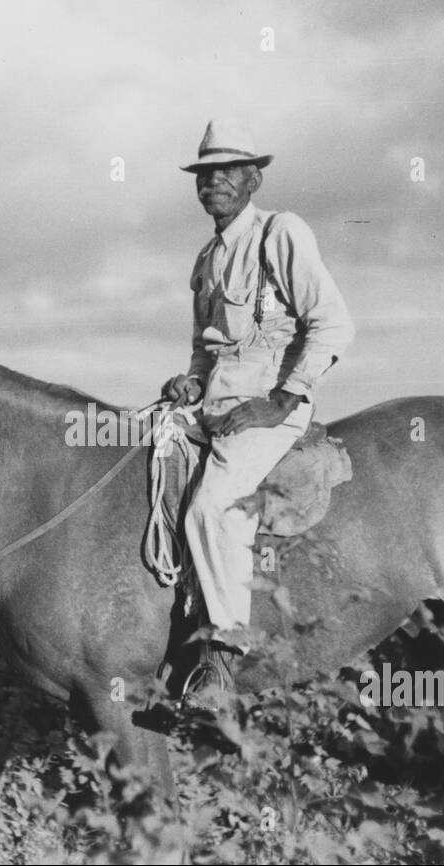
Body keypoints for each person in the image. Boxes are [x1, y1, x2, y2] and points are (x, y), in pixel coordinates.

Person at [162, 118, 355, 682]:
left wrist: (281, 401)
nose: (213, 182)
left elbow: (333, 325)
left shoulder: (280, 233)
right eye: (204, 173)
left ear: (253, 180)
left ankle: (221, 665)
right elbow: (206, 350)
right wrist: (190, 383)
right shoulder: (205, 259)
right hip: (214, 405)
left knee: (214, 510)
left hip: (269, 408)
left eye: (227, 171)